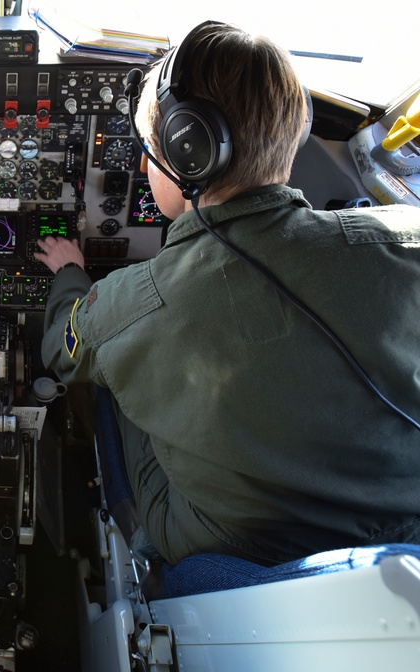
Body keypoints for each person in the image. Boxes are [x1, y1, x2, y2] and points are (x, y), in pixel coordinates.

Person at [35, 21, 420, 568]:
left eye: (150, 148)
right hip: (401, 538)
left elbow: (60, 348)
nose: (144, 164)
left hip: (226, 550)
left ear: (188, 152)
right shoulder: (404, 241)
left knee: (109, 376)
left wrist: (72, 274)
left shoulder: (134, 303)